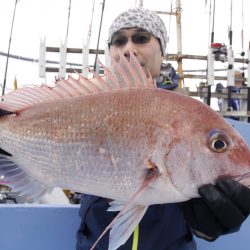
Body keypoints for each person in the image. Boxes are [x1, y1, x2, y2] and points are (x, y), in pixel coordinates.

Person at [76, 8, 250, 250]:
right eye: (118, 41)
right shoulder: (83, 105)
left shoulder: (191, 116)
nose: (128, 49)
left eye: (141, 38)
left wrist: (219, 218)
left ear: (162, 50)